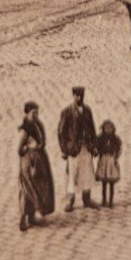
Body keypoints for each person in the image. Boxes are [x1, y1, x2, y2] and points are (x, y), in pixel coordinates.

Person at [57, 85, 99, 212]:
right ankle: (71, 199)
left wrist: (94, 145)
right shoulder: (67, 111)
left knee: (87, 171)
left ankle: (87, 198)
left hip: (86, 147)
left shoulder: (87, 110)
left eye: (82, 96)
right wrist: (65, 149)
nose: (79, 98)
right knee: (73, 174)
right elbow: (61, 131)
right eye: (77, 96)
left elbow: (92, 129)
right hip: (73, 148)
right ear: (73, 96)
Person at [16, 101, 56, 231]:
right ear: (27, 113)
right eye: (33, 113)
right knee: (28, 189)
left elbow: (42, 140)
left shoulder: (38, 124)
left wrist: (39, 147)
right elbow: (19, 149)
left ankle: (32, 216)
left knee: (38, 187)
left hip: (39, 160)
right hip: (29, 163)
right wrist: (29, 148)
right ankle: (24, 217)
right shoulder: (25, 129)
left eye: (37, 113)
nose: (36, 115)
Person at [94, 120, 123, 208]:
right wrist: (96, 152)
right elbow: (97, 148)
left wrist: (116, 156)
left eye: (110, 128)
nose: (108, 130)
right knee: (104, 182)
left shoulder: (116, 139)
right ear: (103, 129)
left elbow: (119, 149)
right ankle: (103, 200)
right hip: (103, 160)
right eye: (106, 128)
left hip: (111, 161)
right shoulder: (100, 138)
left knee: (111, 183)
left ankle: (110, 201)